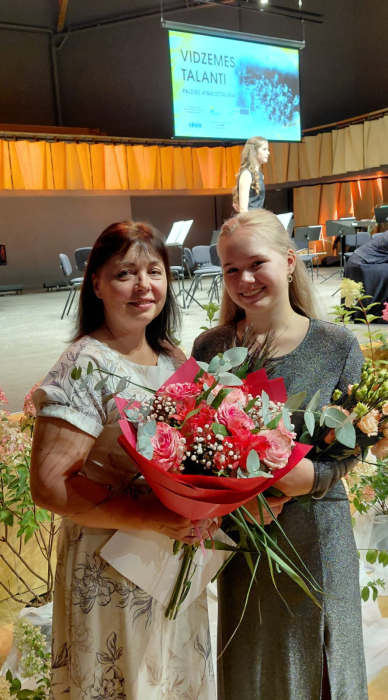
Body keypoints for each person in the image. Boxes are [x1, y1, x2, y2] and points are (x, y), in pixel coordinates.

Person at [30, 221, 216, 700]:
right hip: (110, 566)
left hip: (171, 559)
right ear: (96, 283)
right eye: (125, 273)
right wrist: (150, 516)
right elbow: (50, 484)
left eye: (154, 271)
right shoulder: (84, 364)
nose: (143, 285)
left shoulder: (172, 357)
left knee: (173, 679)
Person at [192, 209, 368, 700]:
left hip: (318, 535)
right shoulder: (211, 348)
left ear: (289, 262)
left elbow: (355, 442)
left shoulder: (336, 345)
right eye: (231, 269)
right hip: (246, 540)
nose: (244, 280)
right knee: (255, 665)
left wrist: (311, 478)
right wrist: (235, 506)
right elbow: (194, 451)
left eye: (256, 264)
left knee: (324, 666)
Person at [232, 136, 269, 212]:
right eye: (264, 149)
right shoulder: (247, 174)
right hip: (251, 218)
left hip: (258, 217)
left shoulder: (260, 175)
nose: (268, 153)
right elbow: (243, 209)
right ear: (254, 151)